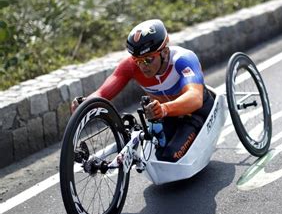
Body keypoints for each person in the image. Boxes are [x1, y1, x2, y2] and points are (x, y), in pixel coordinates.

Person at [71, 19, 214, 162]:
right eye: (137, 60)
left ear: (164, 52)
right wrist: (85, 104)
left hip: (195, 112)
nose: (142, 66)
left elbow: (195, 97)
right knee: (156, 157)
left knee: (170, 156)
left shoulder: (183, 59)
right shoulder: (130, 66)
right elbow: (102, 93)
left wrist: (164, 108)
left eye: (148, 60)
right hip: (168, 115)